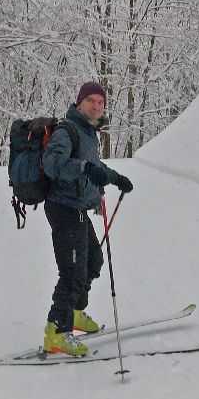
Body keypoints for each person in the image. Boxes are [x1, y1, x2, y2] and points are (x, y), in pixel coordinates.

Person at [40, 81, 133, 357]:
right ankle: (56, 332)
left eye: (101, 102)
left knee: (93, 261)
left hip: (79, 208)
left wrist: (115, 178)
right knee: (72, 273)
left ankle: (75, 312)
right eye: (91, 101)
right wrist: (84, 167)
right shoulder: (66, 130)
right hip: (64, 208)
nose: (96, 106)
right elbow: (53, 163)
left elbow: (94, 166)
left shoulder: (88, 133)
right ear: (80, 102)